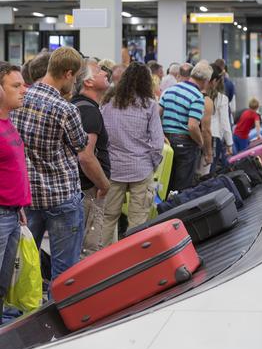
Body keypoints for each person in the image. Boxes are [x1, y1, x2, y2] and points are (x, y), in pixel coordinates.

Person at [12, 47, 88, 281]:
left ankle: (22, 313)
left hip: (28, 197)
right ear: (67, 73)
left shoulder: (20, 98)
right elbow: (81, 144)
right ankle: (60, 313)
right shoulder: (66, 109)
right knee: (65, 271)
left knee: (24, 264)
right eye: (75, 77)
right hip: (61, 196)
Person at [101, 63, 164, 245]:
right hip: (141, 169)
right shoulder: (150, 106)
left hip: (114, 169)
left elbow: (101, 136)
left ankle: (101, 260)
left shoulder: (107, 103)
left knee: (107, 218)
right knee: (138, 221)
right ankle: (133, 259)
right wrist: (151, 163)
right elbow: (157, 143)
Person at [71, 60, 111, 258]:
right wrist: (104, 184)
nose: (105, 72)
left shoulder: (78, 106)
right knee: (88, 247)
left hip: (80, 188)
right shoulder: (89, 111)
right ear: (87, 82)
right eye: (98, 71)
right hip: (89, 189)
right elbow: (86, 156)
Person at [0, 63, 29, 321]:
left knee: (3, 280)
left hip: (11, 213)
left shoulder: (8, 122)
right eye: (16, 86)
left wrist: (18, 204)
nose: (24, 90)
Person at [159, 62, 212, 194]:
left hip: (165, 142)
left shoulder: (169, 90)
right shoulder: (197, 97)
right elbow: (192, 126)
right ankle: (177, 212)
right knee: (182, 187)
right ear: (206, 81)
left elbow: (155, 116)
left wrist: (161, 135)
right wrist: (200, 142)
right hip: (185, 144)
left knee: (165, 182)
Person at [207, 68, 233, 173]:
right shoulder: (222, 98)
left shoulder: (199, 95)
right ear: (216, 81)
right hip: (214, 136)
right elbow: (224, 122)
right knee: (210, 170)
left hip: (199, 136)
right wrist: (229, 143)